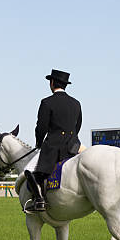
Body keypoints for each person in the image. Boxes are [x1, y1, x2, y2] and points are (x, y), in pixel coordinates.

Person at [24, 69, 82, 211]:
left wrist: (38, 143)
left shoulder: (47, 102)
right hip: (73, 146)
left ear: (52, 83)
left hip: (54, 147)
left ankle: (39, 200)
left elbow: (41, 127)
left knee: (29, 170)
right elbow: (78, 125)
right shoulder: (76, 103)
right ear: (65, 85)